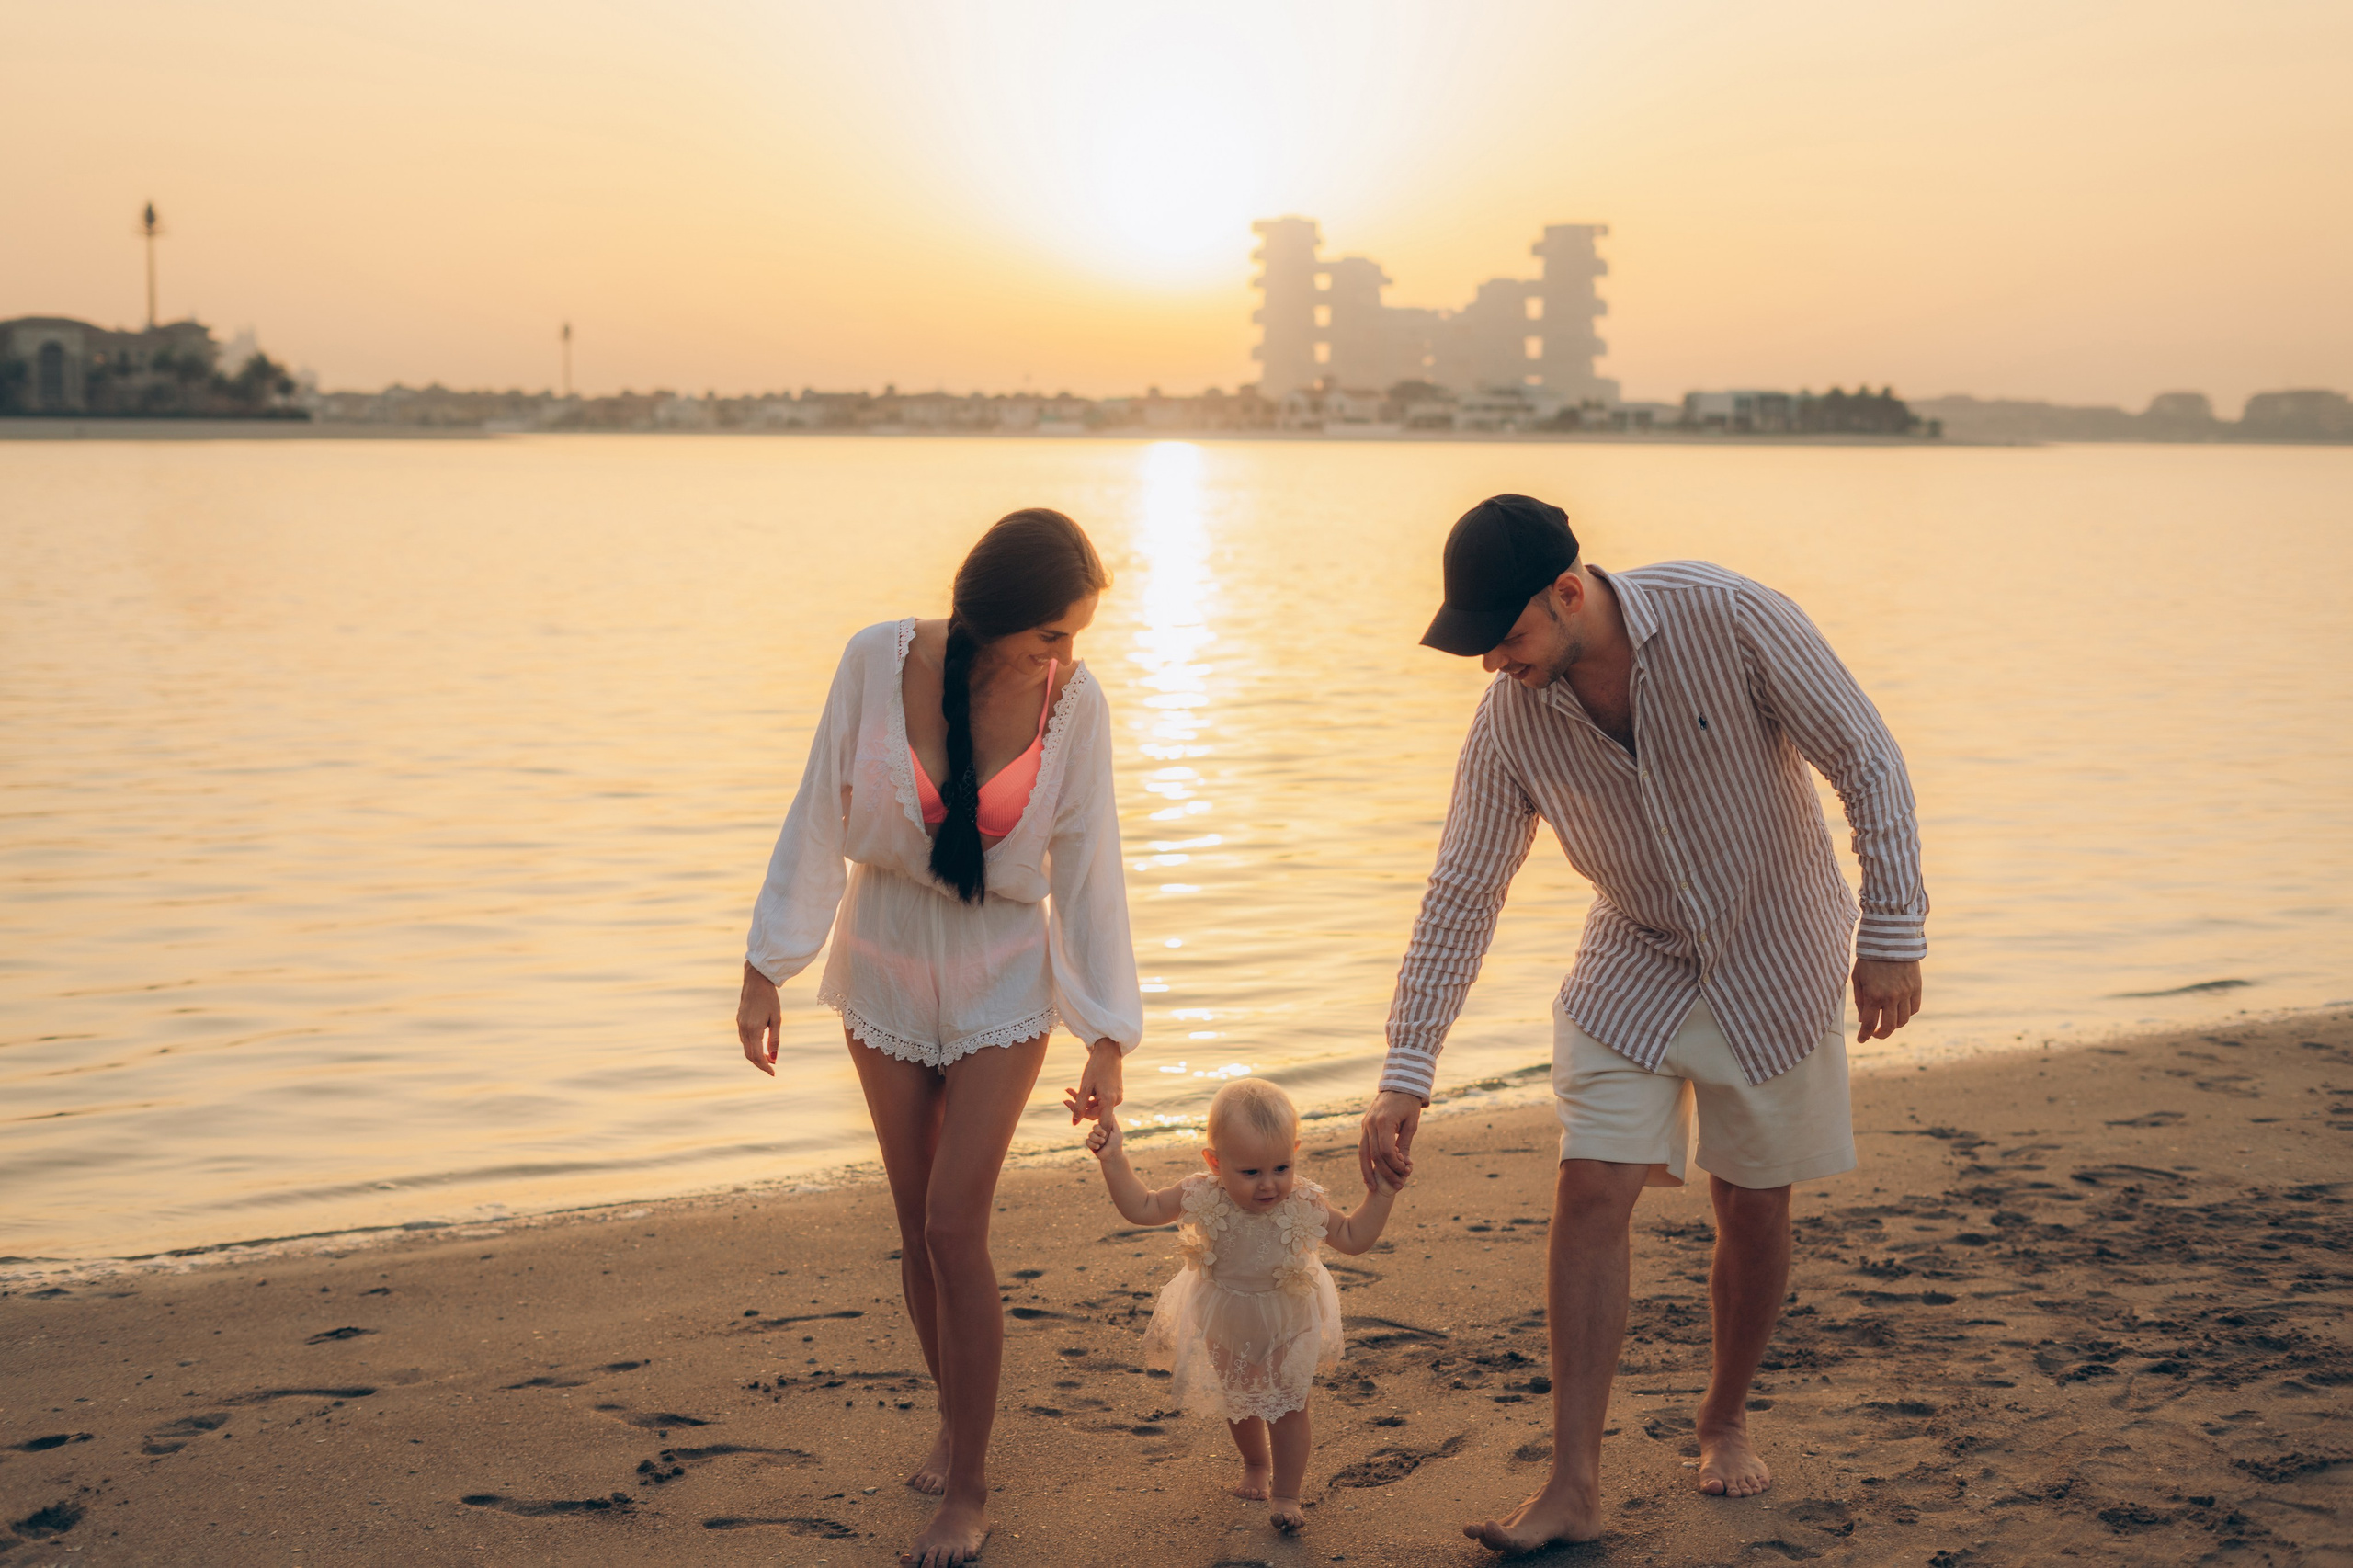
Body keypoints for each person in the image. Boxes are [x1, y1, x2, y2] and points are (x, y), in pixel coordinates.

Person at [1356, 495, 1927, 1554]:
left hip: (1778, 947)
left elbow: (1867, 758)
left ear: (1568, 591)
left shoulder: (1730, 617)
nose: (1492, 662)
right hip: (1634, 961)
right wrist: (1407, 1068)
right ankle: (1573, 1482)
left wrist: (1891, 929)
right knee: (1591, 1184)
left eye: (1507, 635)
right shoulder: (1511, 718)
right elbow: (1462, 890)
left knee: (1752, 1203)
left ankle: (1722, 1413)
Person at [736, 508, 1142, 1568]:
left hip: (1006, 971)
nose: (1067, 654)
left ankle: (969, 1485)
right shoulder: (877, 659)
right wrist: (765, 966)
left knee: (958, 1225)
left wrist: (1105, 1032)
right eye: (1051, 635)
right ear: (996, 616)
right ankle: (956, 1413)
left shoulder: (1076, 702)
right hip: (882, 958)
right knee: (917, 1226)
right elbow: (817, 809)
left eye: (1075, 635)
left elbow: (1092, 863)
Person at [1083, 1078, 1400, 1534]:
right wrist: (1113, 1159)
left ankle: (1288, 1493)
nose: (1269, 1184)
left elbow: (1353, 1238)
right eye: (1250, 1172)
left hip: (1288, 1317)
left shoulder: (1304, 1201)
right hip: (1224, 1316)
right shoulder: (1201, 1193)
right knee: (1241, 1399)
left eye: (1281, 1167)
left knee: (1290, 1406)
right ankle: (1255, 1464)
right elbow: (1143, 1207)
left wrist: (1382, 1194)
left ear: (1294, 1151)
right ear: (1215, 1162)